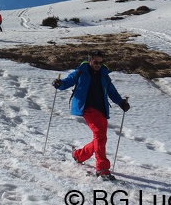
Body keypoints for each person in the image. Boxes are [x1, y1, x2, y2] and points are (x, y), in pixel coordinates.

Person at [52, 50, 130, 180]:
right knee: (100, 136)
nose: (98, 65)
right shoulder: (81, 71)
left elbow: (111, 90)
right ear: (89, 60)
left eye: (100, 62)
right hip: (88, 108)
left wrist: (121, 102)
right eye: (95, 62)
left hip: (102, 110)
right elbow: (67, 81)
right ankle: (102, 169)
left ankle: (79, 155)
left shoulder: (104, 74)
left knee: (100, 139)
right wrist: (59, 84)